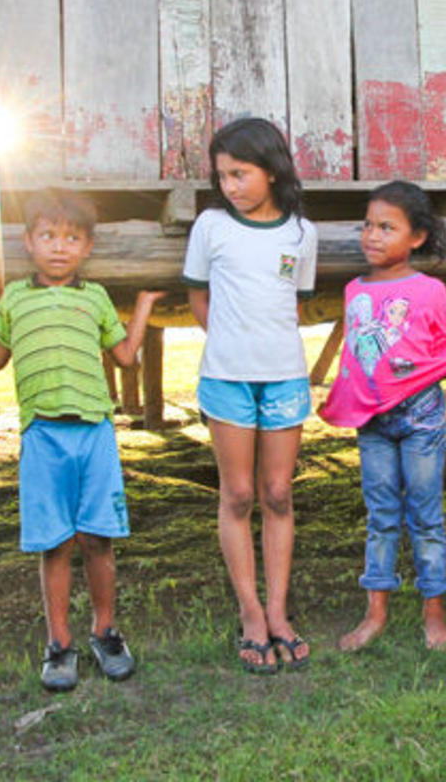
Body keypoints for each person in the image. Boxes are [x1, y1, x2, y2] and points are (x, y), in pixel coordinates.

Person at [0, 190, 160, 691]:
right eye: (48, 236)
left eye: (72, 238)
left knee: (97, 538)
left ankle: (106, 631)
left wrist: (146, 304)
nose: (59, 247)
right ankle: (59, 643)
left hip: (94, 431)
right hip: (43, 433)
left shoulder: (95, 298)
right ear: (28, 242)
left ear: (87, 247)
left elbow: (127, 356)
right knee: (56, 542)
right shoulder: (17, 298)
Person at [320, 182, 446, 652]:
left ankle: (435, 616)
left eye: (387, 227)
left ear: (417, 238)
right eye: (368, 224)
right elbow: (358, 358)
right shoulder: (353, 290)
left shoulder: (430, 291)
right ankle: (375, 615)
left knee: (426, 518)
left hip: (422, 423)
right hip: (374, 426)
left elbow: (438, 357)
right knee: (381, 516)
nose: (373, 235)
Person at [183, 117, 319, 673]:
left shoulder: (299, 233)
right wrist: (231, 347)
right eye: (222, 176)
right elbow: (199, 297)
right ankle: (250, 614)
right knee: (237, 494)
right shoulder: (211, 226)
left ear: (272, 169)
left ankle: (279, 611)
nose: (231, 186)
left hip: (285, 378)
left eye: (240, 173)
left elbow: (296, 304)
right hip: (227, 379)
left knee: (278, 493)